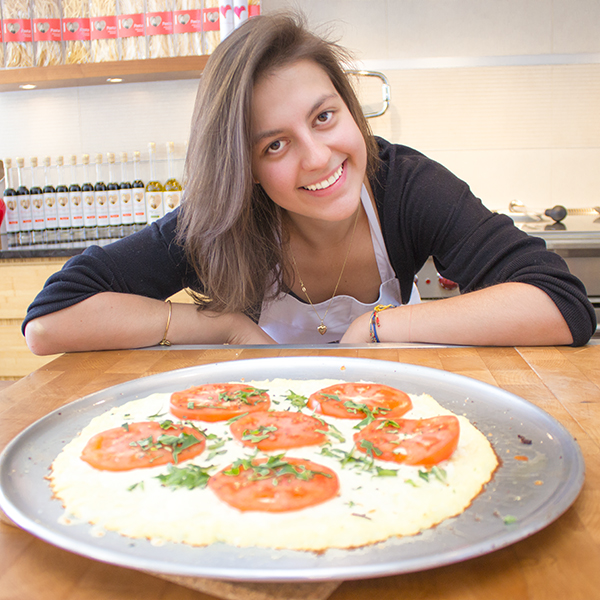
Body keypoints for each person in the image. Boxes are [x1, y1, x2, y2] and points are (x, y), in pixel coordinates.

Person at [23, 12, 596, 353]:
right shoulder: (220, 222)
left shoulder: (407, 186)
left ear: (350, 109)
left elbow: (564, 306)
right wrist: (220, 324)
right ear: (243, 169)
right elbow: (50, 322)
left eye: (324, 117)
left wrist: (378, 325)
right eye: (275, 144)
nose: (319, 157)